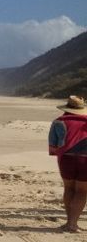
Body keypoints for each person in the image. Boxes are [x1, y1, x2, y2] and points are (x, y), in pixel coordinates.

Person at [48, 95, 87, 233]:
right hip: (85, 160)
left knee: (69, 189)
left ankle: (68, 222)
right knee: (82, 191)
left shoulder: (58, 122)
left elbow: (53, 146)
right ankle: (73, 224)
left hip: (66, 160)